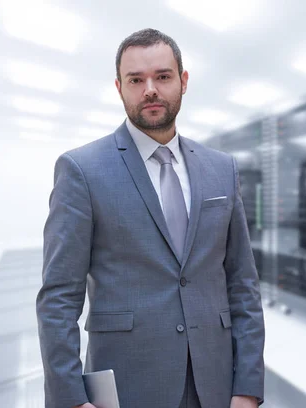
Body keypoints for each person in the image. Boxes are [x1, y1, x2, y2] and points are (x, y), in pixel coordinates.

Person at [36, 28, 265, 408]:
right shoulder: (82, 169)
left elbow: (242, 282)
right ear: (119, 87)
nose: (150, 90)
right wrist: (71, 399)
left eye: (162, 76)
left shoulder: (221, 168)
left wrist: (249, 386)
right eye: (136, 80)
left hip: (217, 383)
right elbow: (59, 296)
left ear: (183, 81)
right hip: (129, 383)